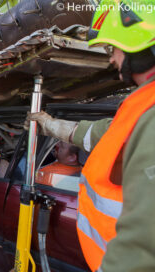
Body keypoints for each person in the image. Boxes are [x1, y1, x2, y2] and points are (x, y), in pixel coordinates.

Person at [26, 1, 155, 271]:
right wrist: (50, 125)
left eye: (112, 48)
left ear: (136, 43)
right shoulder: (143, 109)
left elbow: (145, 240)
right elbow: (101, 134)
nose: (111, 58)